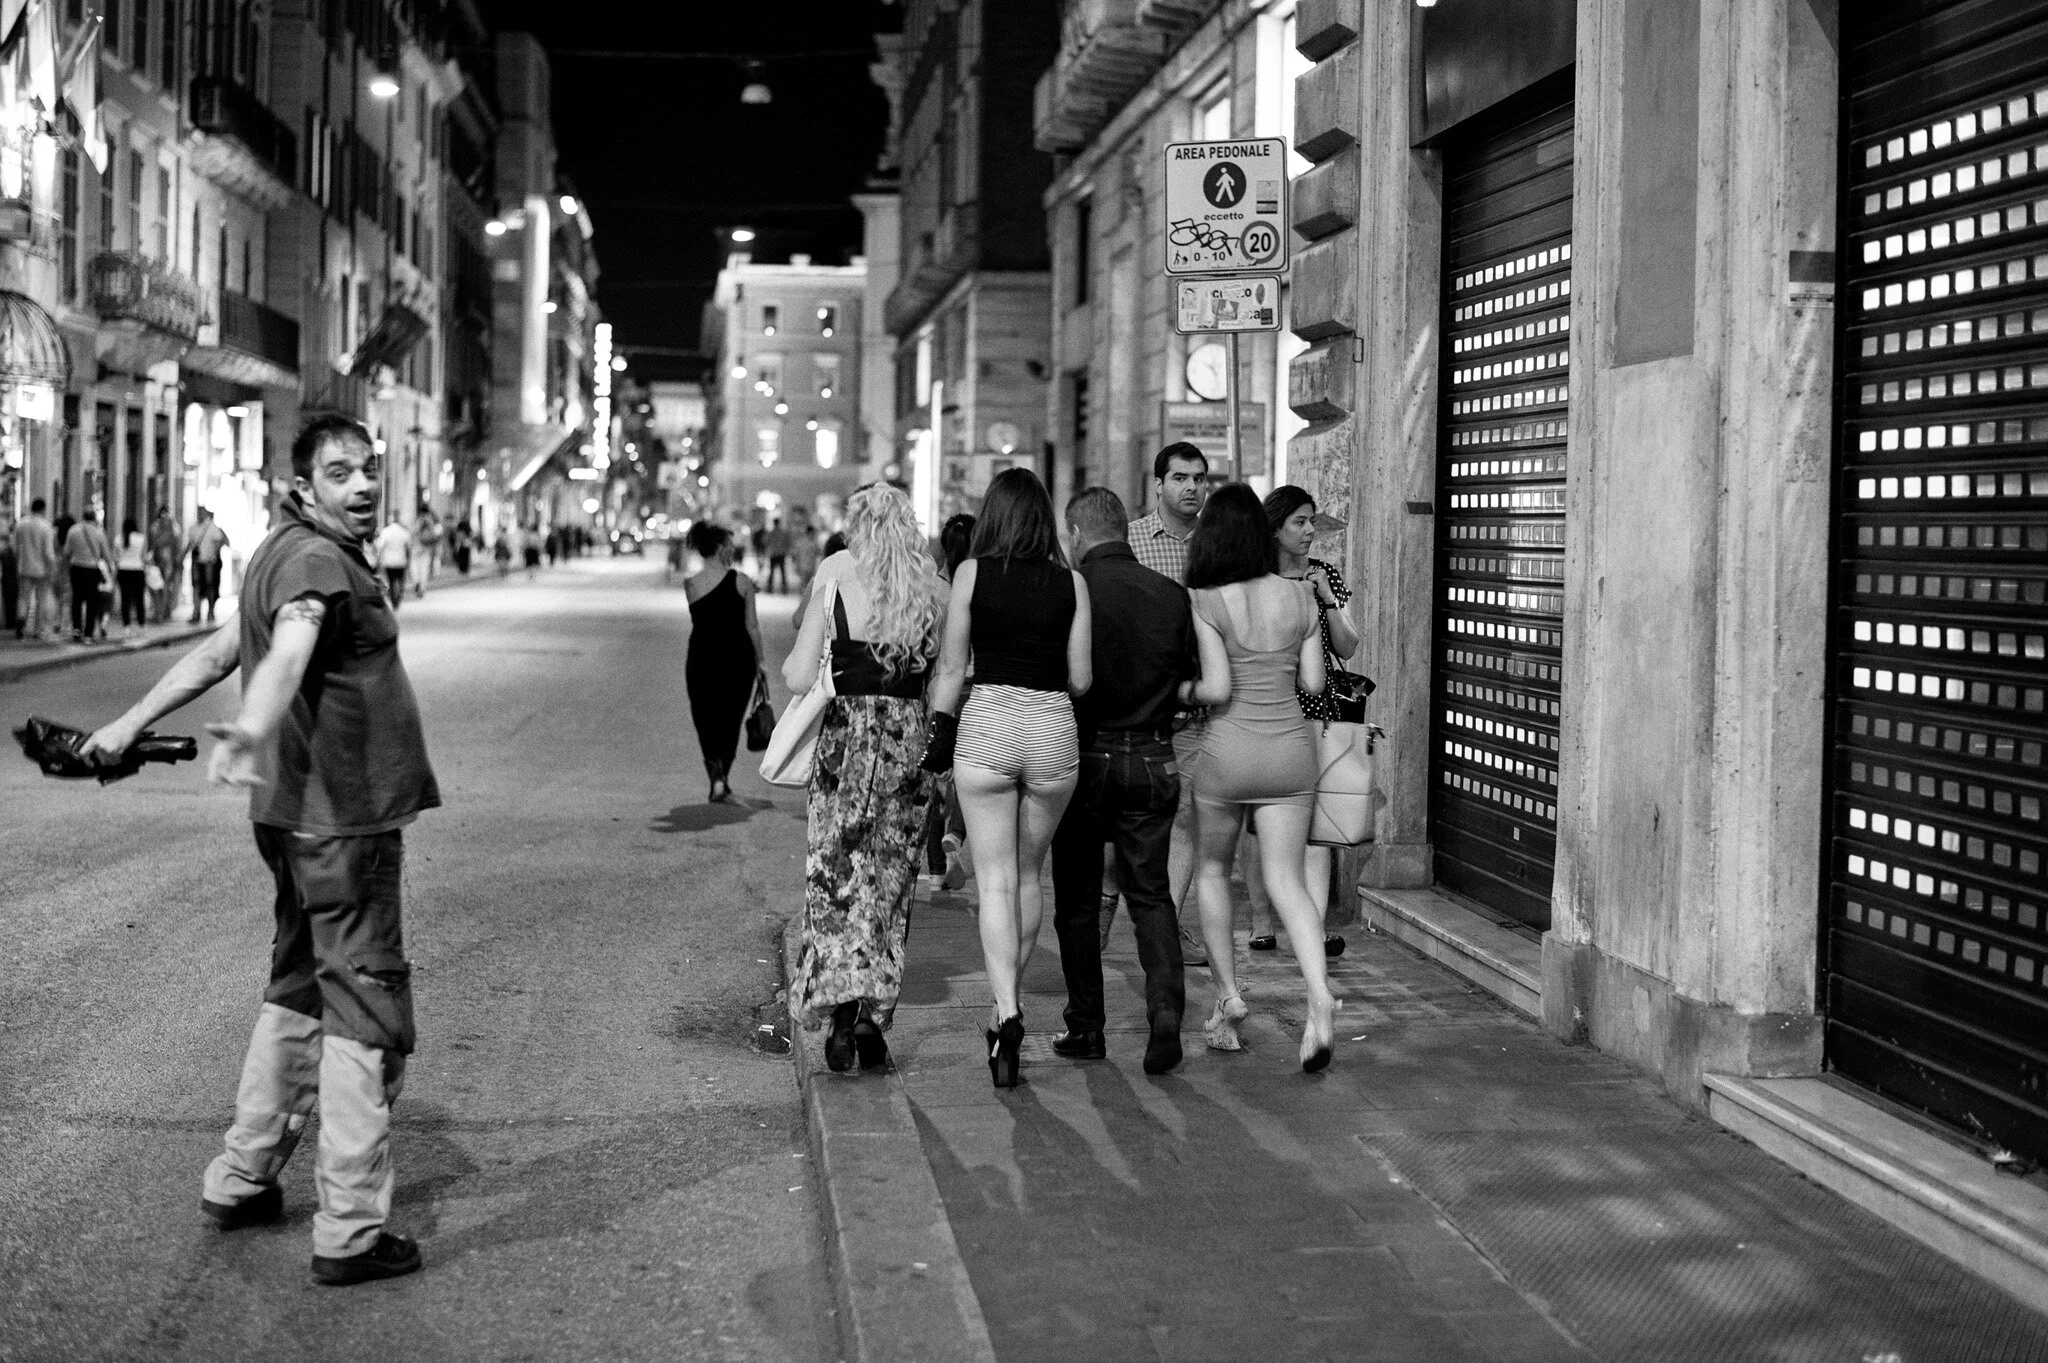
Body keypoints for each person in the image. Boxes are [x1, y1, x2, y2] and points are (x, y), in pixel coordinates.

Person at [79, 414, 439, 1286]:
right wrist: (252, 724)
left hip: (291, 820)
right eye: (340, 473)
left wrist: (131, 721)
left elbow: (222, 648)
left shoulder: (278, 549)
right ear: (304, 484)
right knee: (365, 1010)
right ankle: (350, 1227)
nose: (361, 486)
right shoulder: (315, 564)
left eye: (368, 470)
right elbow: (290, 648)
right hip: (343, 824)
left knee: (298, 987)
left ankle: (242, 1175)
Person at [926, 469, 1092, 1089]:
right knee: (1028, 874)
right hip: (1052, 732)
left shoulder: (970, 574)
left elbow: (950, 667)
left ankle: (1009, 1012)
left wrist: (939, 733)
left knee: (993, 881)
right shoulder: (1072, 583)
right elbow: (1081, 679)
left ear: (993, 516)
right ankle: (1003, 1008)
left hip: (989, 727)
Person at [784, 484, 944, 1074]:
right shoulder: (933, 591)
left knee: (834, 880)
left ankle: (839, 1017)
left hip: (846, 745)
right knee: (890, 881)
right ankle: (875, 1013)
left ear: (856, 527)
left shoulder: (834, 582)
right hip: (908, 747)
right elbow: (954, 672)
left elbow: (800, 675)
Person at [1182, 484, 1337, 1072]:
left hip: (1227, 752)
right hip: (1291, 754)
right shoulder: (1300, 597)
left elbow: (1217, 688)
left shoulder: (1206, 601)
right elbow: (1317, 686)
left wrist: (1180, 691)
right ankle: (1319, 995)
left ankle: (1228, 998)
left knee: (1214, 872)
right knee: (1286, 880)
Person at [1048, 488, 1194, 1075]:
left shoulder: (1074, 593)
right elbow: (1192, 679)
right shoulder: (1170, 595)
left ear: (1079, 534)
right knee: (1151, 895)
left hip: (1085, 757)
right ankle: (1164, 1016)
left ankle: (1086, 1028)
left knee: (1079, 902)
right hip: (1154, 757)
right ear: (1124, 531)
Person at [1247, 486, 1362, 959]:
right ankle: (1260, 919)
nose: (1310, 530)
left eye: (1311, 520)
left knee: (1316, 824)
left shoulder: (1325, 575)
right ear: (1275, 528)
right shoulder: (1254, 578)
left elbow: (1349, 646)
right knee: (1261, 821)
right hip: (1269, 709)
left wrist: (1326, 601)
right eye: (1299, 521)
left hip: (1319, 712)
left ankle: (1311, 927)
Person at [1125, 443, 1214, 967]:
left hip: (1196, 707)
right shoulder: (1131, 541)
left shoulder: (1216, 545)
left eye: (1199, 479)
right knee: (1127, 820)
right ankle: (1116, 907)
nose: (1190, 488)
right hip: (1135, 706)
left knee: (1187, 817)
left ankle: (1169, 925)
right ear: (1157, 484)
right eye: (1179, 478)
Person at [683, 521, 765, 804]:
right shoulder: (741, 582)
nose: (732, 551)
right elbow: (752, 626)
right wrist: (761, 661)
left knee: (704, 718)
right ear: (719, 549)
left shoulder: (691, 584)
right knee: (730, 719)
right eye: (729, 547)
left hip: (701, 658)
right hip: (738, 660)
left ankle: (715, 776)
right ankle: (722, 779)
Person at [63, 508, 116, 643]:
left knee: (76, 599)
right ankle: (88, 633)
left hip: (76, 568)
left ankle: (76, 629)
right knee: (92, 601)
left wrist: (64, 568)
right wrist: (111, 568)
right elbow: (106, 553)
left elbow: (67, 552)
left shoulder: (73, 530)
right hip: (92, 569)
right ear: (94, 518)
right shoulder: (99, 532)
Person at [14, 496, 56, 640]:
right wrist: (52, 567)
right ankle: (38, 630)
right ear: (43, 509)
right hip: (41, 569)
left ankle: (20, 625)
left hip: (24, 566)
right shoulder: (46, 526)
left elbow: (15, 547)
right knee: (40, 600)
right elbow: (48, 552)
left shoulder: (21, 524)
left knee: (23, 598)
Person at [185, 508, 230, 623]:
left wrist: (213, 553)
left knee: (210, 586)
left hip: (209, 562)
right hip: (197, 561)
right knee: (196, 586)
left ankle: (210, 611)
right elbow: (190, 543)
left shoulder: (211, 527)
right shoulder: (193, 528)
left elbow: (221, 540)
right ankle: (197, 612)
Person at [115, 516, 149, 634]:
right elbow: (144, 557)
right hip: (138, 570)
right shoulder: (141, 538)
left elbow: (116, 557)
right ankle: (141, 625)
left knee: (125, 599)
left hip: (123, 570)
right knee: (139, 600)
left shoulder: (118, 539)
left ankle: (126, 627)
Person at [148, 506, 181, 622]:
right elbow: (177, 545)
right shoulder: (174, 528)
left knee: (159, 587)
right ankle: (163, 611)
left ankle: (160, 612)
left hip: (161, 561)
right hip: (166, 562)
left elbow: (152, 545)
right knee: (165, 587)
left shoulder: (155, 527)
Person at [372, 516, 411, 609]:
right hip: (401, 561)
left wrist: (378, 560)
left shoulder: (386, 532)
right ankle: (398, 597)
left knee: (391, 581)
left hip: (389, 561)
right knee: (400, 581)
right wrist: (408, 560)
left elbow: (381, 547)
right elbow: (408, 548)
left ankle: (394, 600)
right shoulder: (403, 532)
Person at [412, 509, 443, 598]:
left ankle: (416, 581)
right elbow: (435, 536)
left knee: (415, 567)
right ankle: (422, 588)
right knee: (424, 569)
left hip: (417, 548)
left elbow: (414, 533)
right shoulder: (430, 522)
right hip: (426, 548)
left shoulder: (418, 521)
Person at [763, 519, 792, 594]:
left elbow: (765, 542)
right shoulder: (783, 533)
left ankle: (769, 589)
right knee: (782, 572)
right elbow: (788, 542)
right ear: (779, 523)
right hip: (781, 554)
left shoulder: (771, 533)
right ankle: (784, 589)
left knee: (771, 572)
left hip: (773, 554)